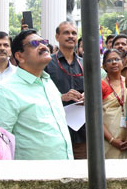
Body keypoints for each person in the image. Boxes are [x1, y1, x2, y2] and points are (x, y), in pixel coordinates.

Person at [0, 29, 73, 160]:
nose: (43, 46)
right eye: (35, 43)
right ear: (19, 56)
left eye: (44, 42)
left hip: (64, 169)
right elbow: (0, 144)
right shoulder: (5, 90)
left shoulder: (48, 81)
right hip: (33, 176)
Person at [44, 21, 85, 158]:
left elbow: (97, 91)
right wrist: (61, 97)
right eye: (66, 32)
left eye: (74, 33)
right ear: (57, 37)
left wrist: (88, 96)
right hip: (55, 130)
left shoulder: (85, 63)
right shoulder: (47, 63)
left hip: (82, 132)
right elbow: (39, 93)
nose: (71, 36)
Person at [101, 49, 127, 159]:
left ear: (123, 63)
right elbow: (95, 118)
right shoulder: (100, 85)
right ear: (104, 65)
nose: (114, 62)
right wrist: (112, 140)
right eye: (109, 60)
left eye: (117, 59)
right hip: (108, 139)